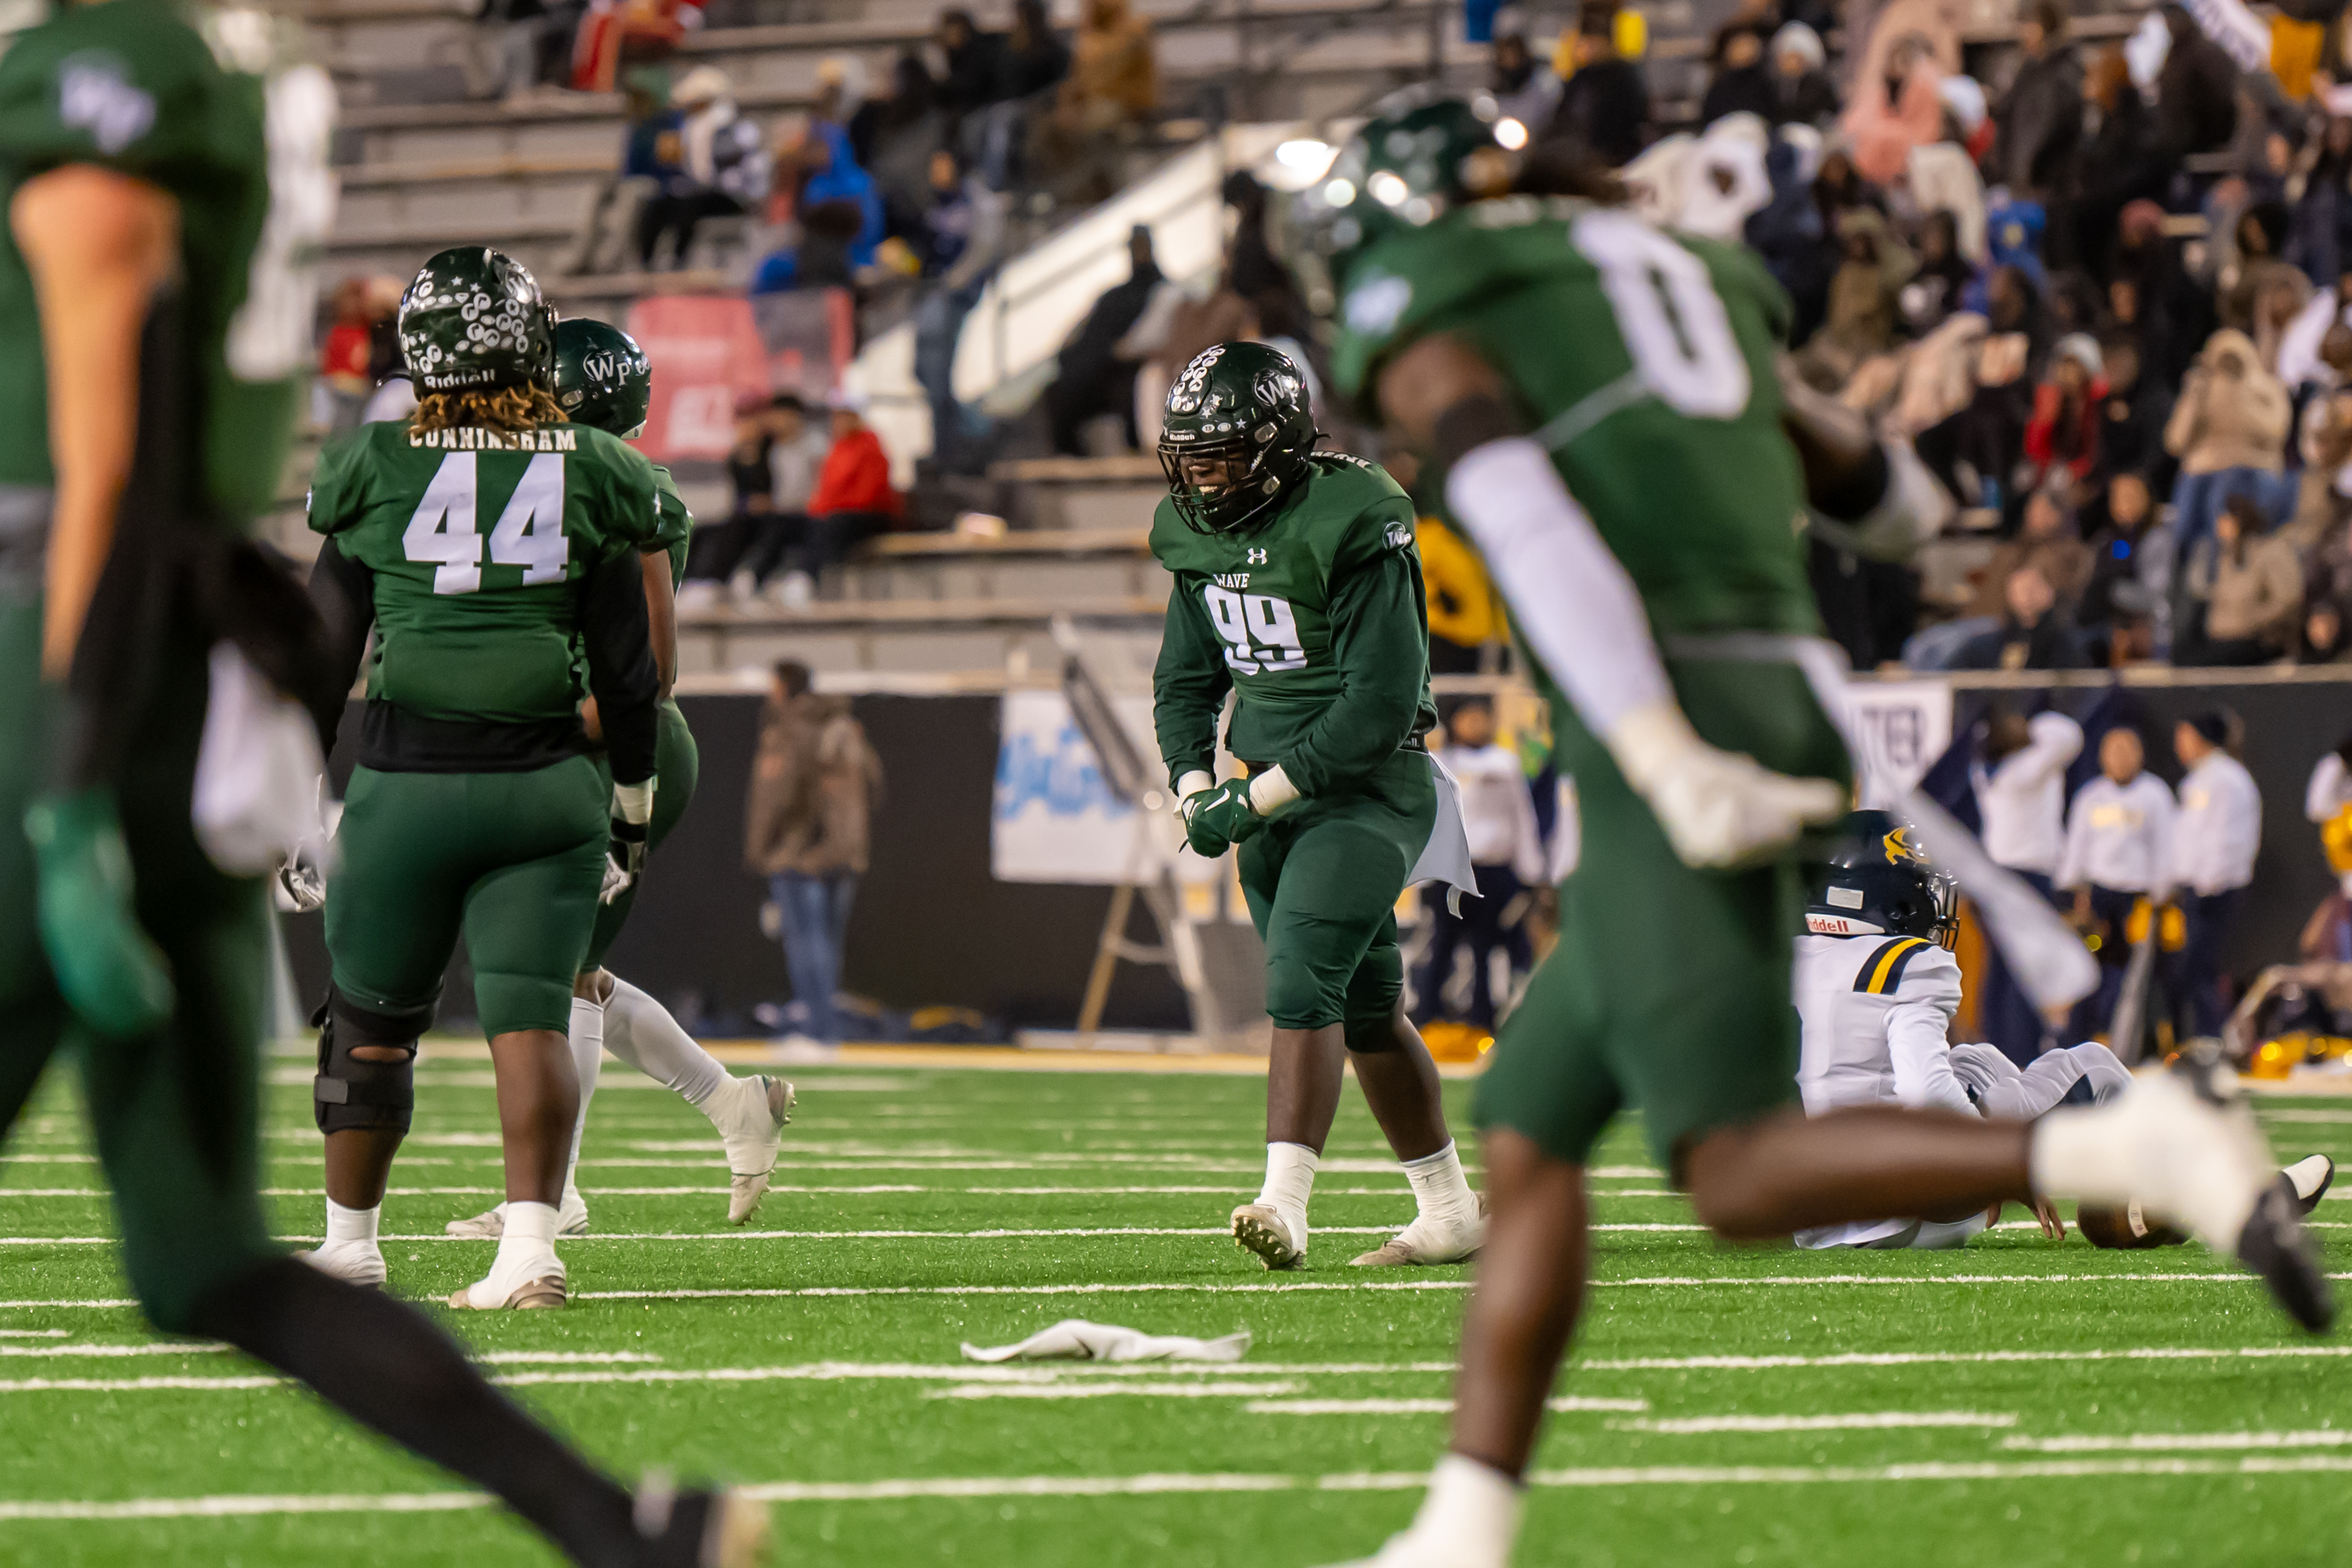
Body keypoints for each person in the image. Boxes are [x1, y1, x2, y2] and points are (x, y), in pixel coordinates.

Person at [1302, 95, 2326, 1568]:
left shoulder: (1459, 308)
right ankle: (1462, 1527)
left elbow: (1526, 517)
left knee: (1729, 1170)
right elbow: (1902, 504)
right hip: (1790, 694)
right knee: (1528, 1126)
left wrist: (1658, 745)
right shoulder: (1683, 277)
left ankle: (2112, 1150)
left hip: (1676, 719)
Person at [0, 0, 759, 1549]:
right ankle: (623, 1526)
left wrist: (69, 767)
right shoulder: (247, 81)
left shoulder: (109, 83)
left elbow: (105, 426)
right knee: (207, 1256)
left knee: (383, 1048)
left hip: (67, 680)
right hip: (201, 690)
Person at [297, 247, 665, 1316]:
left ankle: (349, 1249)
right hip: (544, 787)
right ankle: (530, 1254)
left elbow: (321, 656)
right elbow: (632, 673)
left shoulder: (372, 461)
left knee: (365, 1022)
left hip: (406, 785)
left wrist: (290, 794)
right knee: (529, 1019)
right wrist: (630, 812)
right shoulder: (599, 466)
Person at [448, 319, 794, 1241]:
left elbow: (643, 661)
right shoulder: (590, 477)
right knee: (568, 967)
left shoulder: (614, 487)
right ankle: (733, 1107)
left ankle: (552, 1193)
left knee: (557, 972)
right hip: (582, 735)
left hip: (608, 738)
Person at [1149, 340, 1486, 1272]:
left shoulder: (1355, 511)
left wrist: (1244, 800)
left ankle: (1282, 1202)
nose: (1202, 477)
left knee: (1299, 978)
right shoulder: (1193, 533)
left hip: (1370, 787)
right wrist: (1191, 786)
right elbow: (1182, 682)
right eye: (1190, 455)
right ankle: (1451, 1211)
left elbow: (1375, 708)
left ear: (1279, 444)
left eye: (1220, 455)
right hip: (1267, 794)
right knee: (1368, 1006)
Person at [1794, 811, 2132, 1251]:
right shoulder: (1909, 962)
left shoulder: (1791, 956)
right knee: (2096, 1064)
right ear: (1887, 891)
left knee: (1979, 1060)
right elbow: (1929, 1093)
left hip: (1804, 1211)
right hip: (1896, 1216)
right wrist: (1996, 1170)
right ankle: (2147, 1200)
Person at [744, 661, 883, 1050]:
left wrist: (765, 849)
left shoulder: (792, 728)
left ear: (785, 685)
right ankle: (826, 1028)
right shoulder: (846, 726)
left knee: (806, 943)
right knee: (826, 945)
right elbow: (875, 783)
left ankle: (817, 1031)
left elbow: (777, 796)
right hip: (843, 853)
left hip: (801, 854)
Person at [1415, 697, 1545, 1033]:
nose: (1475, 725)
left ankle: (1482, 1023)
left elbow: (1522, 818)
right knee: (1442, 945)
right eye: (1468, 718)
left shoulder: (1505, 764)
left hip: (1492, 869)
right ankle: (1428, 1019)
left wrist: (1531, 871)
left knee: (1485, 948)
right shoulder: (1437, 763)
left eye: (1481, 718)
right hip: (1450, 869)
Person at [1972, 708, 2083, 1063]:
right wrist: (2037, 726)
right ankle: (2017, 1050)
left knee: (2002, 968)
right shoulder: (2024, 769)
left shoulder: (1985, 769)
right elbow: (2069, 734)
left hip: (1998, 873)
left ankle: (1998, 1044)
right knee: (2025, 969)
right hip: (2025, 875)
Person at [2058, 725, 2176, 1038]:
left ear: (2140, 755)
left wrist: (2160, 892)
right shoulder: (2091, 796)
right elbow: (2077, 846)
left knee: (2134, 975)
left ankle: (2127, 1039)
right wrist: (2077, 892)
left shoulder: (2155, 794)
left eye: (2127, 751)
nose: (2121, 759)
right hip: (2099, 896)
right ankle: (2080, 1036)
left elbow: (2165, 846)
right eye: (2114, 752)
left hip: (2137, 897)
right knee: (2088, 970)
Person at [2168, 711, 2260, 1042]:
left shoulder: (2226, 779)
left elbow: (2228, 839)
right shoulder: (2197, 779)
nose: (2178, 744)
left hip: (2215, 889)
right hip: (2195, 888)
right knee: (2192, 972)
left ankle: (2218, 1041)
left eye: (2185, 735)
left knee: (2198, 970)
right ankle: (2204, 1041)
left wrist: (2209, 884)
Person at [2164, 328, 2290, 558]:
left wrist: (2237, 398)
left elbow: (2276, 432)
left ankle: (2220, 578)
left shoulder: (2267, 389)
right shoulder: (2201, 389)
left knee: (2221, 498)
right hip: (2201, 470)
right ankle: (2177, 576)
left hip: (2252, 468)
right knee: (2184, 514)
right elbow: (2175, 442)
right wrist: (2194, 398)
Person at [1047, 224, 1162, 454]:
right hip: (1089, 365)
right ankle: (1072, 456)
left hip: (1119, 364)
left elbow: (1154, 333)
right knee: (1057, 390)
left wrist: (1123, 351)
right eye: (1133, 247)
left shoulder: (1160, 291)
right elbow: (1083, 327)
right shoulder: (1113, 294)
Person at [637, 67, 767, 270]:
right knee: (656, 203)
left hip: (729, 195)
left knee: (690, 201)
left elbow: (737, 166)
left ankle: (679, 260)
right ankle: (646, 262)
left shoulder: (739, 129)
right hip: (694, 191)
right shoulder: (684, 129)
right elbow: (668, 166)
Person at [2184, 493, 2304, 663]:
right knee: (2184, 657)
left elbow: (2289, 599)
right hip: (2223, 639)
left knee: (2203, 663)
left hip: (2258, 641)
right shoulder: (2225, 558)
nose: (2219, 527)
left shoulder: (2269, 551)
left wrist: (2252, 621)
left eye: (2224, 520)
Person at [1989, 0, 2081, 209]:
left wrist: (2034, 176)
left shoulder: (2061, 74)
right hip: (2021, 185)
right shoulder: (2030, 72)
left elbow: (2046, 133)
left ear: (2046, 28)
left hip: (2046, 189)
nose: (2024, 33)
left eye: (2030, 25)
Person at [1548, 1, 1647, 166]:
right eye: (1587, 41)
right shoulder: (1581, 76)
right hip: (1579, 157)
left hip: (1615, 159)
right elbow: (1563, 115)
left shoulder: (1623, 76)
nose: (1589, 47)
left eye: (1594, 41)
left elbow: (1630, 119)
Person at [809, 390, 900, 558]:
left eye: (843, 416)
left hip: (869, 515)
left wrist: (830, 508)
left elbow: (867, 496)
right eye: (836, 416)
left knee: (834, 526)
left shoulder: (871, 448)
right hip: (841, 513)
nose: (837, 422)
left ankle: (815, 577)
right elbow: (826, 489)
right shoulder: (837, 449)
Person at [1952, 562, 2087, 669]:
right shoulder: (1991, 643)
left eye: (2032, 588)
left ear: (2049, 592)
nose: (2026, 597)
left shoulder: (2064, 643)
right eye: (2019, 589)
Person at [1489, 31, 1560, 134]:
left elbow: (1549, 105)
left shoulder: (1539, 77)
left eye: (1513, 54)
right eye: (1504, 55)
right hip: (1510, 134)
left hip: (1539, 132)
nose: (1509, 59)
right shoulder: (1499, 83)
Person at [1769, 21, 1837, 127]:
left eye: (1795, 58)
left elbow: (1829, 113)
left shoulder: (1817, 87)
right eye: (1786, 57)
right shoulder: (1771, 84)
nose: (1790, 63)